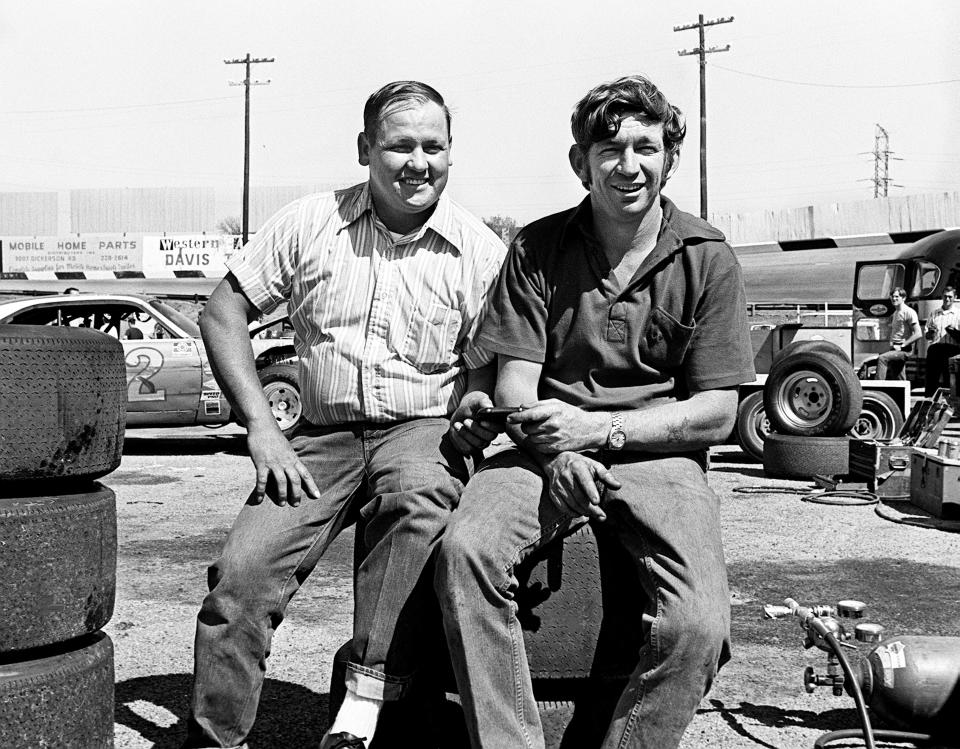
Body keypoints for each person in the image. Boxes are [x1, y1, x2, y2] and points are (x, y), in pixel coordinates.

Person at [433, 74, 756, 749]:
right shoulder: (536, 248)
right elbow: (517, 386)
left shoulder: (708, 257)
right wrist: (563, 451)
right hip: (541, 444)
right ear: (581, 162)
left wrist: (602, 430)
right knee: (467, 552)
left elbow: (717, 412)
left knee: (697, 624)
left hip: (657, 455)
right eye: (608, 149)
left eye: (646, 146)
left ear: (671, 155)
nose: (628, 165)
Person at [182, 80, 506, 749]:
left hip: (421, 430)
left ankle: (359, 716)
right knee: (241, 576)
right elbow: (222, 312)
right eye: (400, 145)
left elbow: (484, 370)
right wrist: (262, 427)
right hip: (318, 434)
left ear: (452, 153)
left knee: (416, 507)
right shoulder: (309, 223)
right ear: (366, 149)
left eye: (433, 146)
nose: (418, 162)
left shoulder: (479, 252)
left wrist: (478, 407)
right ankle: (216, 737)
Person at [875, 287, 922, 380]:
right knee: (898, 376)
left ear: (903, 298)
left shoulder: (909, 312)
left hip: (904, 350)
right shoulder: (896, 313)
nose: (894, 299)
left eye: (897, 296)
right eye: (892, 296)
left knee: (882, 359)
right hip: (895, 348)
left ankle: (877, 387)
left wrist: (903, 345)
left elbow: (918, 333)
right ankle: (902, 393)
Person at [924, 286, 960, 395]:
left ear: (955, 298)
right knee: (931, 378)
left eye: (950, 297)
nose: (947, 299)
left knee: (948, 379)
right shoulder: (934, 313)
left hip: (952, 349)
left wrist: (954, 331)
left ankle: (949, 405)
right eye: (945, 296)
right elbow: (927, 336)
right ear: (942, 297)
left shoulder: (958, 314)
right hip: (935, 349)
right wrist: (930, 332)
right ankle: (929, 402)